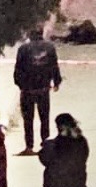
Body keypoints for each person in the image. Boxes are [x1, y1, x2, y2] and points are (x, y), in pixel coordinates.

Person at [14, 26, 63, 156]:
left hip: (28, 90)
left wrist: (20, 85)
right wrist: (56, 82)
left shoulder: (23, 49)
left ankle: (29, 147)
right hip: (43, 89)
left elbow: (18, 69)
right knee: (44, 118)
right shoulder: (50, 47)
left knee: (28, 120)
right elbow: (54, 66)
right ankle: (45, 145)